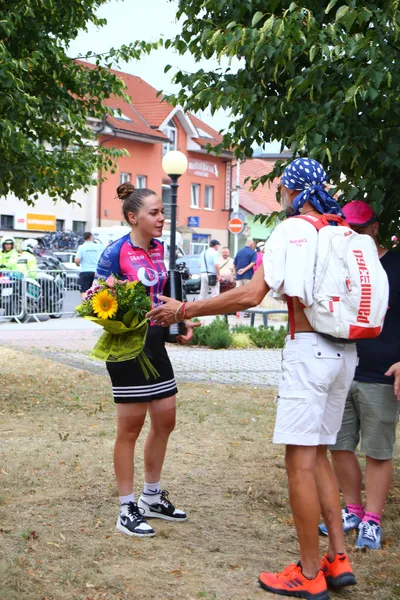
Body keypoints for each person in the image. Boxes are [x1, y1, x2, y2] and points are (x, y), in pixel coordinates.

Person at [148, 158, 358, 600]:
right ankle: (337, 559)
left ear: (292, 191)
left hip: (310, 350)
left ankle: (306, 572)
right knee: (319, 454)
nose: (279, 195)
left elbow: (249, 295)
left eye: (282, 188)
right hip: (346, 353)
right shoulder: (340, 229)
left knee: (299, 462)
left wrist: (183, 309)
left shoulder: (291, 230)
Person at [95, 182, 198, 538]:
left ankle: (152, 496)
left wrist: (180, 321)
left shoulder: (159, 251)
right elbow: (94, 298)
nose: (161, 218)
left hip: (157, 346)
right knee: (130, 429)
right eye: (154, 213)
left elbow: (164, 294)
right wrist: (113, 306)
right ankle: (127, 508)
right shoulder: (115, 252)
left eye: (162, 212)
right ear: (132, 216)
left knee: (166, 420)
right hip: (127, 350)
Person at [319, 201, 400, 550]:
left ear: (376, 227)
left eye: (362, 227)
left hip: (382, 369)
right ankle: (352, 510)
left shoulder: (396, 263)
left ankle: (373, 519)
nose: (355, 234)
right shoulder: (338, 262)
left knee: (378, 451)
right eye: (348, 227)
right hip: (342, 364)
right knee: (339, 445)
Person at [75, 232, 104, 301]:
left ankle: (85, 307)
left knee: (84, 290)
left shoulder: (81, 247)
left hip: (85, 271)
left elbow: (77, 260)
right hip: (95, 272)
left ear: (84, 238)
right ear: (91, 237)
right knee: (95, 291)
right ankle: (93, 308)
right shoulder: (97, 246)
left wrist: (78, 264)